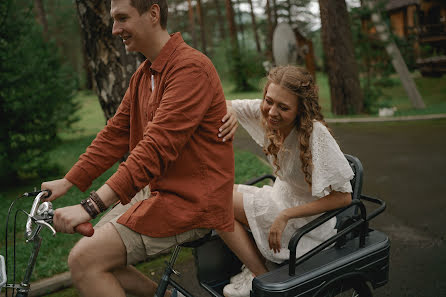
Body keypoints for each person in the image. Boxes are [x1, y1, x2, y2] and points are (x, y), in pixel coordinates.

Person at [41, 0, 234, 296]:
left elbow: (154, 149)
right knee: (92, 250)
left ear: (153, 14)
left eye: (122, 18)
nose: (115, 28)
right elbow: (115, 134)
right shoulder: (145, 75)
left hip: (192, 202)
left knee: (83, 261)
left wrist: (89, 206)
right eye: (113, 19)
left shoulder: (190, 68)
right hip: (156, 191)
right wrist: (68, 181)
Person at [217, 66, 354, 297]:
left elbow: (344, 197)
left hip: (305, 221)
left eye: (283, 107)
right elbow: (223, 103)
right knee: (218, 194)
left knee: (216, 203)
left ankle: (261, 279)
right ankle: (257, 270)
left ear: (301, 110)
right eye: (269, 101)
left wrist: (286, 215)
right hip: (278, 197)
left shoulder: (316, 135)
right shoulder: (266, 112)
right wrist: (230, 112)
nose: (272, 112)